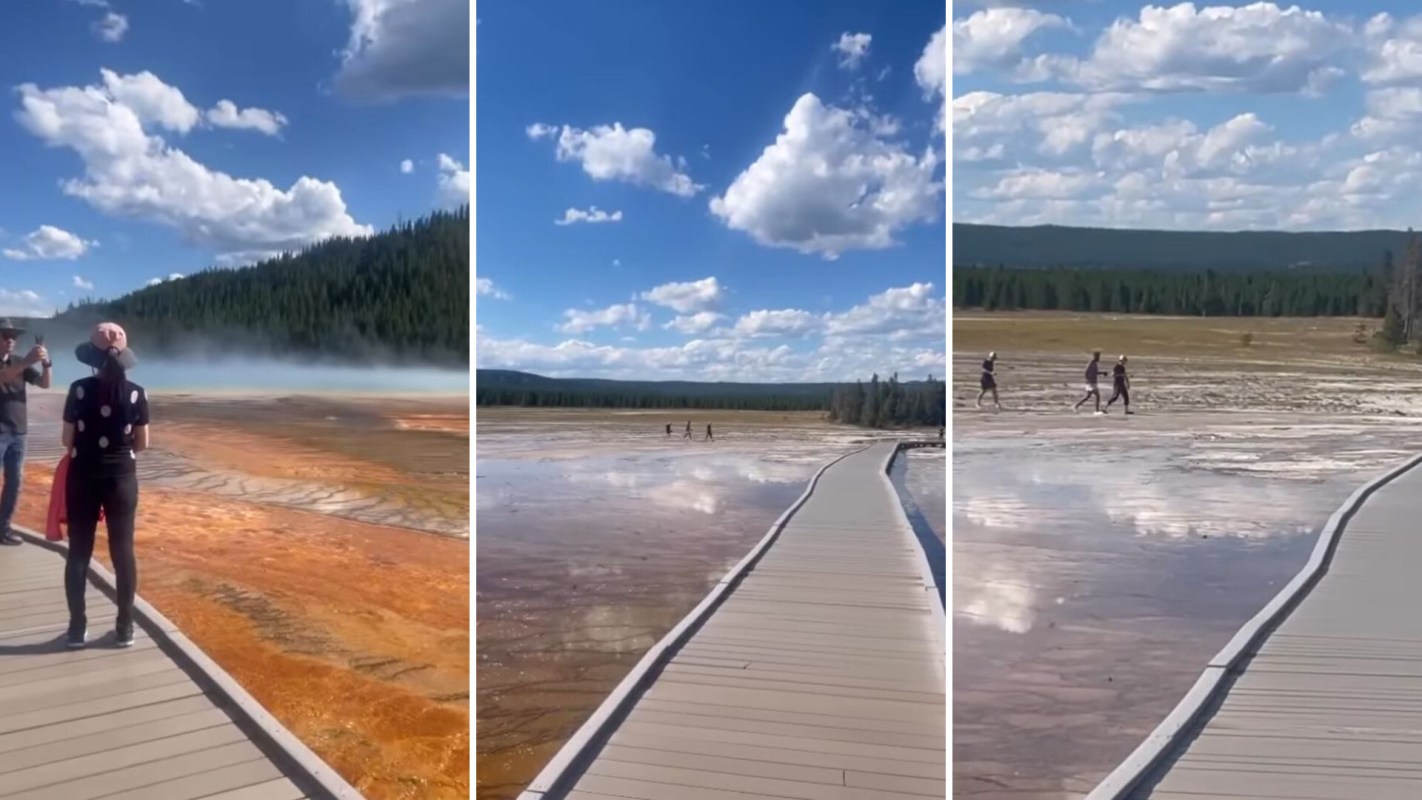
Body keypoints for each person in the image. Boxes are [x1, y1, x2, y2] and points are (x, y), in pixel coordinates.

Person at [61, 322, 147, 649]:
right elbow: (142, 444)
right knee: (123, 552)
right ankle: (124, 628)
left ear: (90, 358)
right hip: (122, 477)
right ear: (124, 356)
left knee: (79, 552)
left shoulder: (78, 388)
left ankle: (76, 629)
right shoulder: (137, 392)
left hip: (82, 474)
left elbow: (66, 440)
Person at [0, 318, 51, 546]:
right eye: (5, 336)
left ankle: (3, 528)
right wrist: (28, 361)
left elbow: (44, 384)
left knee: (15, 482)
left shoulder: (20, 362)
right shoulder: (18, 364)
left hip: (19, 432)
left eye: (14, 337)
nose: (11, 340)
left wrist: (46, 364)